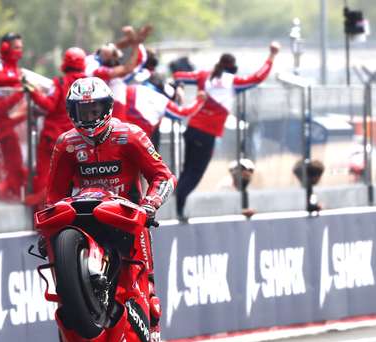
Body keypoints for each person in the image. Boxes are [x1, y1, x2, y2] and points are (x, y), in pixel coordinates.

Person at [46, 77, 176, 342]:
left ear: (107, 108)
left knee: (145, 285)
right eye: (83, 111)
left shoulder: (129, 135)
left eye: (94, 110)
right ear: (72, 111)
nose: (89, 118)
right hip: (83, 218)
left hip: (127, 219)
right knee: (60, 287)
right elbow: (54, 194)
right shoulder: (65, 144)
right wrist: (49, 228)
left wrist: (149, 207)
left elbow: (162, 176)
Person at [173, 42, 280, 220]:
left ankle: (176, 205)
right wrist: (272, 55)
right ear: (233, 68)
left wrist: (180, 88)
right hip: (206, 134)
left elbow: (178, 75)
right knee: (195, 173)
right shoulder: (233, 82)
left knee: (186, 170)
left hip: (191, 128)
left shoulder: (203, 76)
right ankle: (178, 209)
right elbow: (258, 78)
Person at [24, 47, 88, 206]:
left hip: (53, 140)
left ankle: (41, 213)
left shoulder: (60, 82)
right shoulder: (89, 84)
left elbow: (48, 105)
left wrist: (32, 91)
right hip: (78, 139)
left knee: (46, 177)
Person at [0, 32, 28, 201]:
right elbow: (0, 108)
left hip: (11, 126)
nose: (20, 51)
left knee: (16, 168)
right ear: (5, 48)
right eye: (16, 48)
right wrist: (20, 91)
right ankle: (7, 198)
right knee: (15, 169)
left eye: (21, 48)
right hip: (5, 130)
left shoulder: (15, 71)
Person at [86, 25, 151, 120]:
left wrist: (134, 38)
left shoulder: (99, 62)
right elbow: (127, 67)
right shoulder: (94, 67)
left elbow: (116, 48)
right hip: (101, 110)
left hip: (113, 113)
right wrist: (135, 41)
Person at [124, 83, 206, 150]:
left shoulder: (133, 87)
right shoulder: (161, 100)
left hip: (117, 134)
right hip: (138, 140)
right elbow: (183, 114)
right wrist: (200, 100)